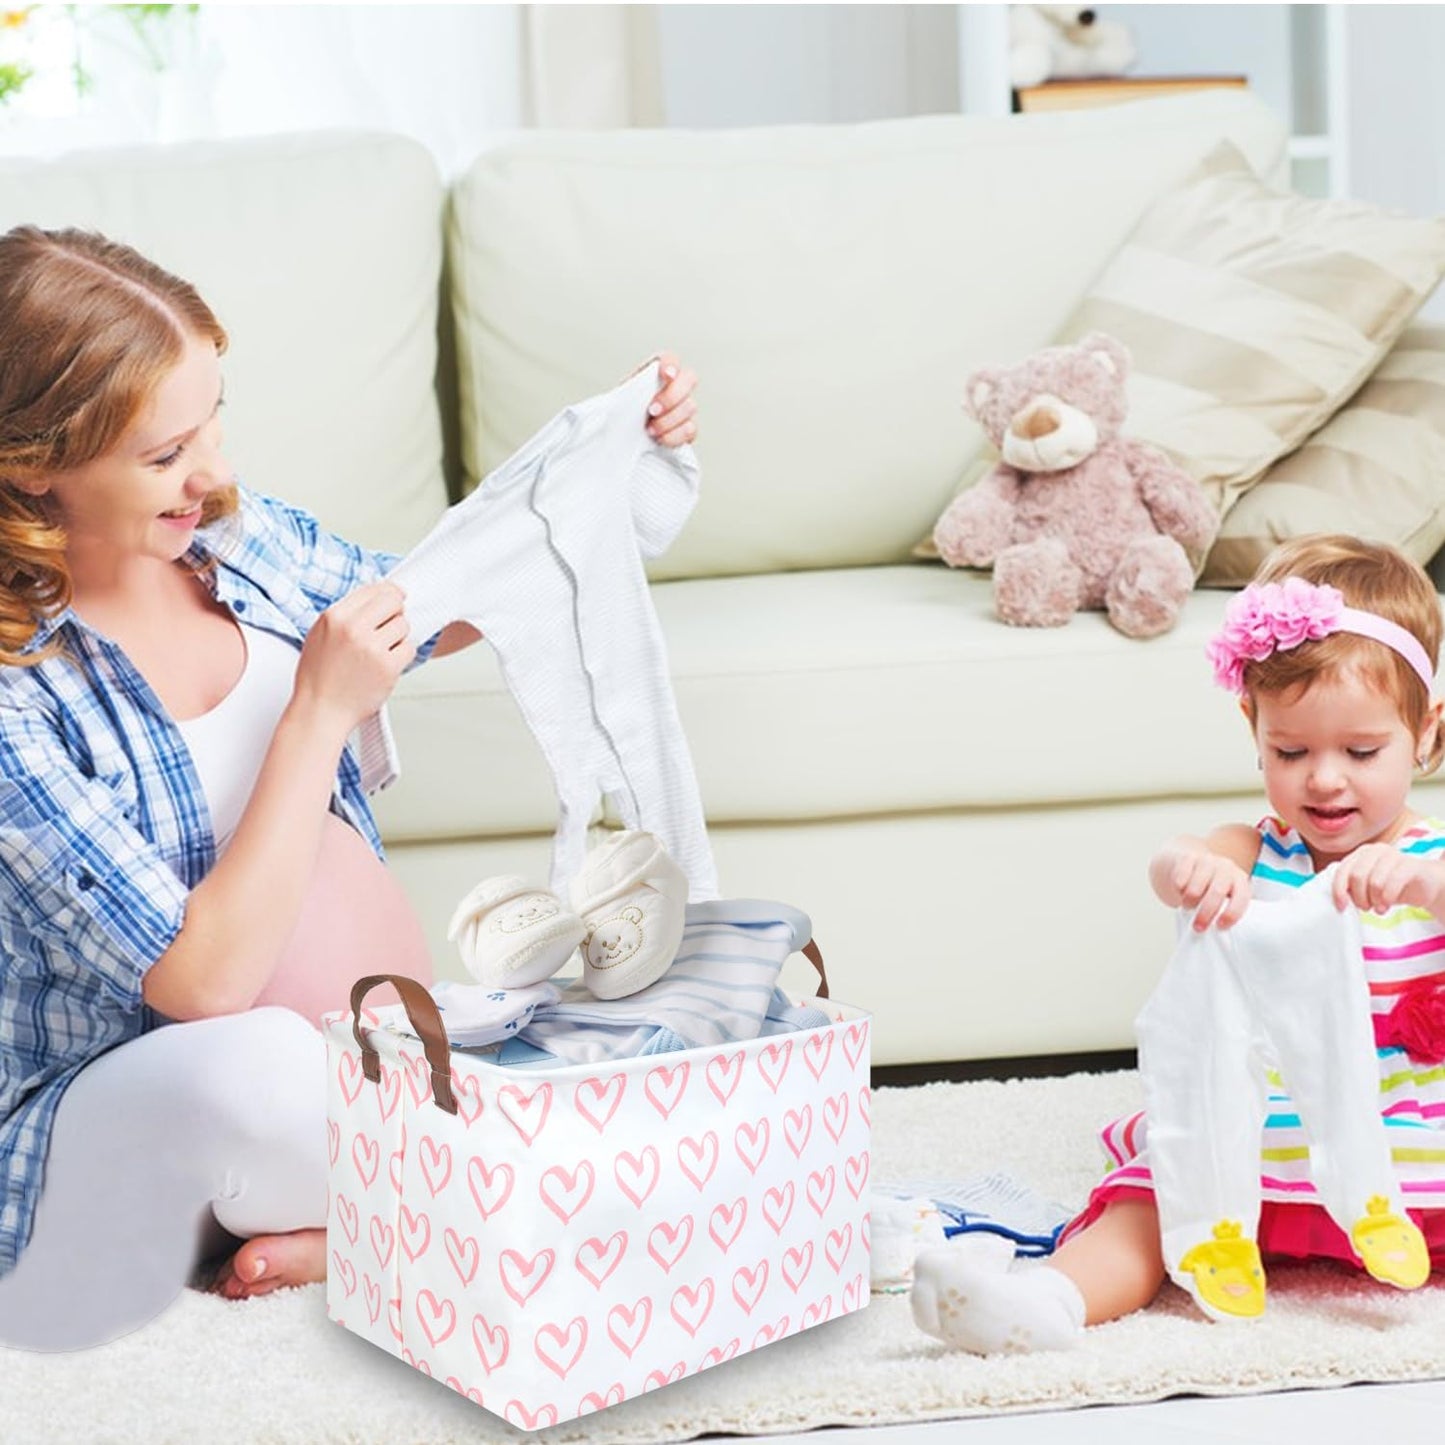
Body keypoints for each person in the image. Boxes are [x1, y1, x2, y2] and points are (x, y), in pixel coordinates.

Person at [0, 224, 699, 1350]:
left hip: (348, 1067)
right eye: (165, 452)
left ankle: (370, 1219)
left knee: (570, 1036)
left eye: (214, 417)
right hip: (128, 1108)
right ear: (36, 464)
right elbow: (202, 984)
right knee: (265, 1075)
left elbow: (422, 608)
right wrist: (314, 714)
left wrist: (599, 468)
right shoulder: (17, 695)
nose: (211, 471)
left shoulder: (234, 538)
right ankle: (442, 1210)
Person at [912, 535, 1445, 1354]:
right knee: (1155, 1197)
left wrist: (1418, 884)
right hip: (1264, 1127)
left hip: (1402, 1131)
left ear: (1425, 733)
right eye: (1290, 751)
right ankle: (1048, 1301)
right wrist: (1194, 871)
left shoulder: (1424, 858)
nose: (1323, 778)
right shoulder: (1253, 846)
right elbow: (1174, 862)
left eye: (1361, 751)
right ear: (1253, 729)